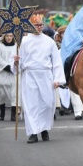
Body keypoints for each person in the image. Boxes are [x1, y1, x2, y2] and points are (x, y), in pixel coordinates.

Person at [12, 14, 66, 143]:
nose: (39, 27)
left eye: (41, 24)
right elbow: (16, 62)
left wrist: (57, 78)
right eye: (36, 25)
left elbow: (56, 61)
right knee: (32, 105)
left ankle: (44, 128)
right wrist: (16, 61)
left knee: (47, 103)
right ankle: (33, 132)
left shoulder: (49, 41)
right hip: (29, 75)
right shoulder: (23, 41)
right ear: (30, 25)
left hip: (46, 75)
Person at [0, 33, 18, 121]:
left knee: (14, 93)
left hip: (13, 72)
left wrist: (14, 66)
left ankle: (13, 113)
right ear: (4, 37)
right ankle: (2, 111)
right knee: (1, 92)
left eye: (11, 36)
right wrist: (6, 66)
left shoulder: (16, 46)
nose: (9, 38)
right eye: (7, 36)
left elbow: (18, 57)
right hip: (3, 72)